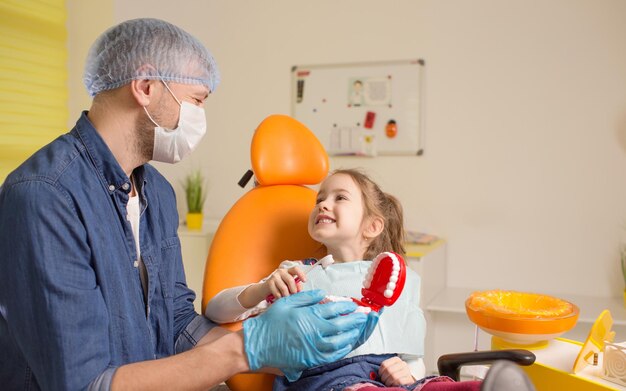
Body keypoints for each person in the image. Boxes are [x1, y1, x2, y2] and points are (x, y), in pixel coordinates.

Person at [0, 18, 379, 391]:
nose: (200, 118)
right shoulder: (44, 195)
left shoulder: (158, 194)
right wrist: (248, 347)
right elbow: (85, 384)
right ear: (146, 86)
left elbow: (178, 321)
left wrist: (283, 353)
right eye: (197, 100)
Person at [206, 168, 432, 390]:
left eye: (340, 197)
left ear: (372, 226)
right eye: (319, 199)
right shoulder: (298, 274)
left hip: (386, 381)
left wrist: (410, 372)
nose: (323, 204)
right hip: (324, 380)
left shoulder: (391, 277)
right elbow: (214, 311)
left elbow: (412, 352)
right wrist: (261, 289)